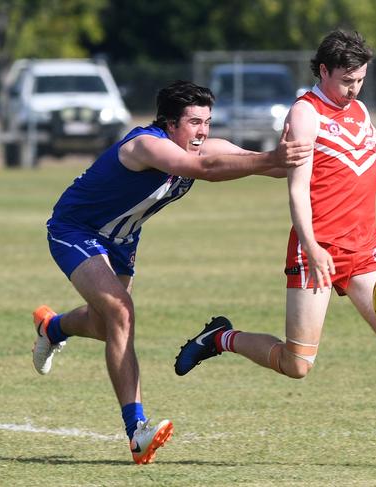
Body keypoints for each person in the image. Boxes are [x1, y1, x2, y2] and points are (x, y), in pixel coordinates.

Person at [175, 30, 376, 469]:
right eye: (346, 80)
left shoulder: (359, 111)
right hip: (316, 248)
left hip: (363, 249)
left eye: (360, 80)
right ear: (323, 71)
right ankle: (220, 338)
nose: (354, 88)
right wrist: (313, 246)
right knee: (297, 364)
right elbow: (297, 191)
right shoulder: (306, 113)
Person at [31, 80, 312, 465]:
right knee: (121, 314)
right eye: (195, 122)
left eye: (208, 122)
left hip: (122, 239)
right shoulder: (146, 145)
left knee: (105, 325)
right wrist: (270, 159)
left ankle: (53, 328)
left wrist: (295, 153)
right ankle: (137, 432)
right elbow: (204, 168)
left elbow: (263, 162)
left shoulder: (199, 145)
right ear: (169, 122)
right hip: (76, 230)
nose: (203, 131)